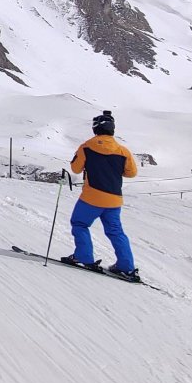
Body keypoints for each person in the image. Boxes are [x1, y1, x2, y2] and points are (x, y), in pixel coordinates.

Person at [60, 110, 140, 281]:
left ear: (95, 129)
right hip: (114, 199)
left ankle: (83, 257)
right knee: (115, 231)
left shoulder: (87, 147)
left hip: (92, 197)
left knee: (80, 223)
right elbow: (131, 173)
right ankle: (126, 267)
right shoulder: (123, 151)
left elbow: (75, 169)